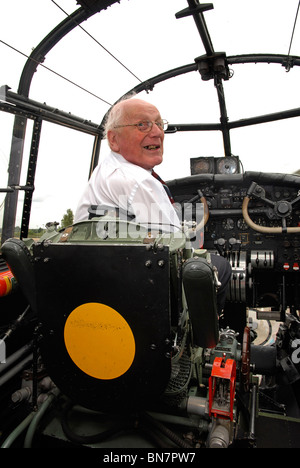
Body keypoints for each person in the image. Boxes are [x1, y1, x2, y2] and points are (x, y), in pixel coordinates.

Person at [74, 97, 231, 313]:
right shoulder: (139, 181)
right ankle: (205, 335)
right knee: (219, 265)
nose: (157, 132)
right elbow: (178, 249)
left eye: (159, 124)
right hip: (141, 288)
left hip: (102, 279)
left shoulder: (106, 170)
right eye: (142, 124)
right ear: (114, 140)